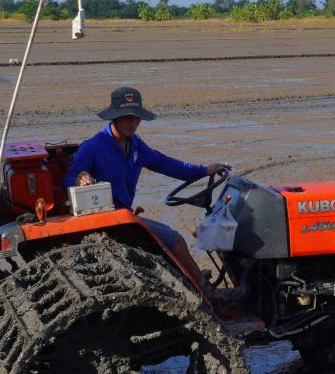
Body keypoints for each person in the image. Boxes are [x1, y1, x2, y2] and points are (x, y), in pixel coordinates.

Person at [66, 86, 228, 293]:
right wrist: (79, 177)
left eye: (136, 118)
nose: (132, 123)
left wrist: (203, 171)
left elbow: (165, 163)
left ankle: (192, 284)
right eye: (126, 117)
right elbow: (69, 176)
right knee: (176, 241)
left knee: (168, 237)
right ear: (114, 117)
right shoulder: (93, 147)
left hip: (124, 216)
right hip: (108, 221)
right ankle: (206, 292)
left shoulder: (135, 145)